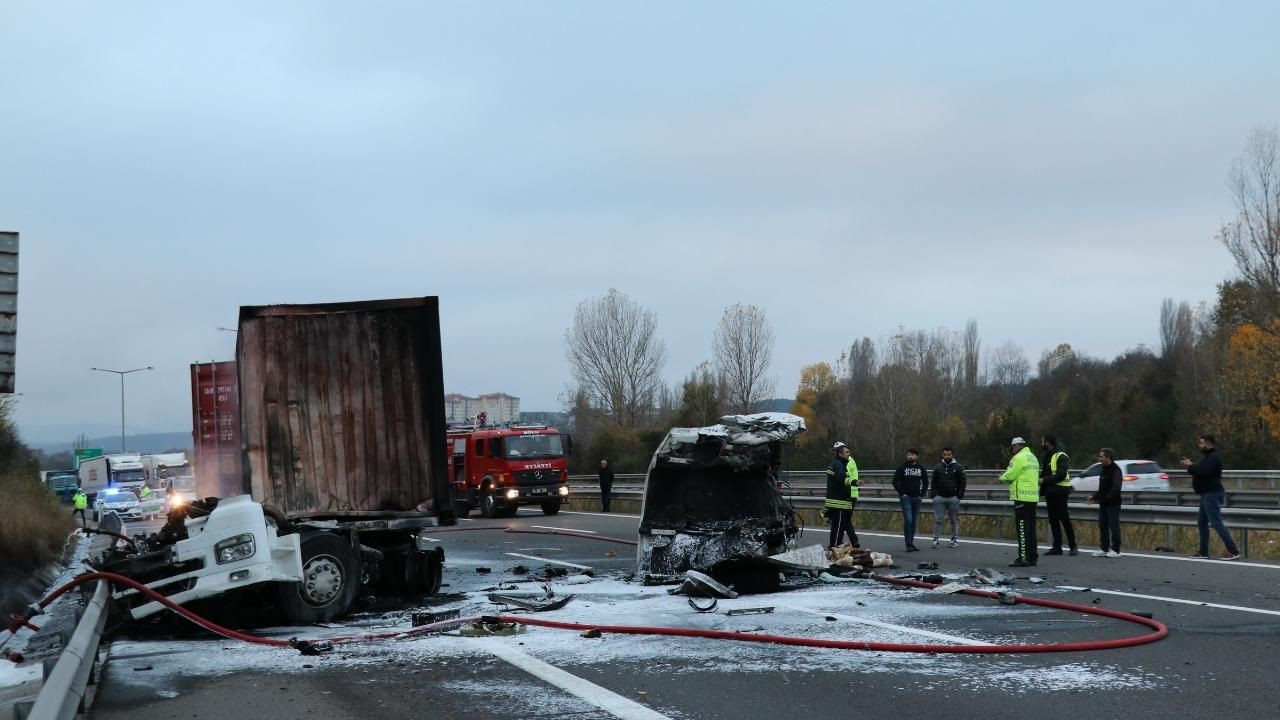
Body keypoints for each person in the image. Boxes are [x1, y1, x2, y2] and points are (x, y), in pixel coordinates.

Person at [1180, 435, 1241, 560]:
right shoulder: (1207, 458)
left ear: (1208, 444)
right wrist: (1189, 466)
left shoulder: (1214, 457)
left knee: (1216, 522)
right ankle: (1203, 552)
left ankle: (1233, 550)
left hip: (1212, 494)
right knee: (1202, 522)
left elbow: (1203, 471)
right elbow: (1197, 471)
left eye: (1201, 443)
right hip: (1206, 494)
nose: (1199, 446)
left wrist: (1192, 465)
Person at [1000, 436, 1041, 567]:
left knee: (1022, 529)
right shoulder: (1033, 457)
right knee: (1031, 528)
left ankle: (1023, 558)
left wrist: (1002, 477)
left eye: (1012, 447)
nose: (1012, 450)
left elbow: (1010, 474)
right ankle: (1032, 557)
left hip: (1021, 497)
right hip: (1032, 498)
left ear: (1017, 446)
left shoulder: (1018, 458)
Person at [1040, 435, 1078, 556]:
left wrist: (1045, 481)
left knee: (1064, 519)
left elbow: (1061, 474)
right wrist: (1042, 490)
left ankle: (1073, 546)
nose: (1041, 444)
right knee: (1053, 520)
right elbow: (1045, 473)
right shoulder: (1047, 456)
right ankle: (1057, 547)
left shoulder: (1061, 455)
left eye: (1042, 441)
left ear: (1047, 442)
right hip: (1050, 492)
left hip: (1061, 492)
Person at [1087, 448, 1122, 557]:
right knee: (1102, 525)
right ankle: (1104, 548)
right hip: (1103, 503)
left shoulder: (1116, 470)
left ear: (1108, 457)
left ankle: (1116, 550)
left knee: (1113, 526)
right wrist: (1094, 496)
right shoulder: (1103, 469)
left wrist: (1108, 497)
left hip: (1113, 504)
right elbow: (1102, 488)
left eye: (1101, 456)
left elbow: (1116, 487)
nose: (1099, 459)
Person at [930, 447, 966, 548]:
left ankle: (954, 540)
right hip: (939, 498)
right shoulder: (937, 467)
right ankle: (935, 540)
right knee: (938, 520)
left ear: (952, 455)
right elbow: (933, 482)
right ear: (942, 455)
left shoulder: (958, 467)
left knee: (954, 520)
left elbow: (962, 482)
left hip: (953, 498)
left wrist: (959, 496)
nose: (947, 456)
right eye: (945, 455)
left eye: (949, 455)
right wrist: (934, 495)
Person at [892, 448, 928, 551]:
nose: (910, 456)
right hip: (905, 498)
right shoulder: (901, 468)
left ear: (917, 456)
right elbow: (894, 481)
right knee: (908, 520)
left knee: (913, 521)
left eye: (912, 455)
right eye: (908, 455)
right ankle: (908, 544)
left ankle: (911, 543)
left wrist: (922, 495)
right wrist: (902, 494)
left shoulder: (921, 468)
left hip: (916, 497)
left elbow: (925, 482)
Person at [825, 442, 856, 549]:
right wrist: (854, 482)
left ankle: (836, 545)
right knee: (838, 527)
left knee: (839, 525)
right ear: (840, 454)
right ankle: (834, 547)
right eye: (846, 452)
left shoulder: (836, 464)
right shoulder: (839, 465)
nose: (849, 454)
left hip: (837, 501)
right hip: (839, 502)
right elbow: (841, 479)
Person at [845, 446, 862, 548]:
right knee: (846, 519)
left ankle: (853, 540)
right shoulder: (851, 460)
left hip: (848, 493)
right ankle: (853, 540)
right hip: (853, 493)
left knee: (844, 519)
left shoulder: (846, 461)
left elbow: (843, 477)